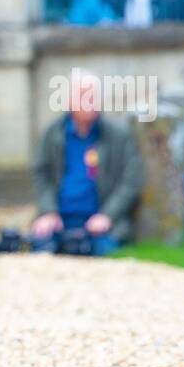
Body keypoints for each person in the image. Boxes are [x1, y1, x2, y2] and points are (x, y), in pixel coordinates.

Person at [31, 72, 143, 255]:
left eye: (94, 96)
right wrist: (48, 211)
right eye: (83, 95)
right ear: (69, 100)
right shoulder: (52, 134)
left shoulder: (119, 135)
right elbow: (40, 174)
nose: (90, 101)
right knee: (39, 249)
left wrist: (107, 215)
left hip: (100, 222)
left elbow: (131, 181)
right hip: (60, 219)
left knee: (104, 251)